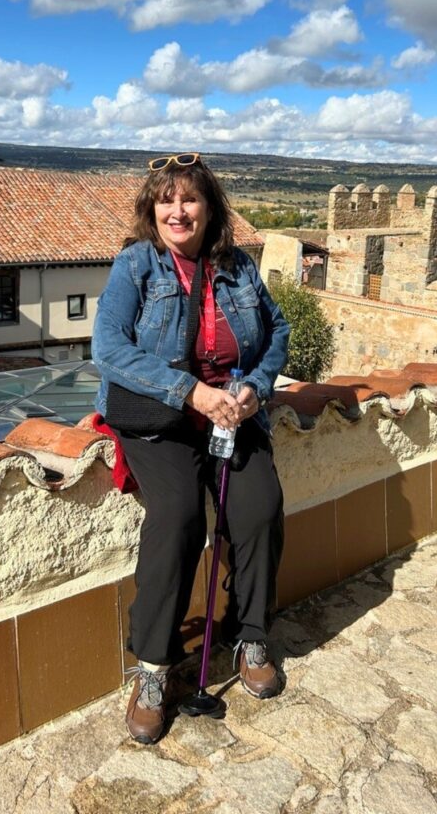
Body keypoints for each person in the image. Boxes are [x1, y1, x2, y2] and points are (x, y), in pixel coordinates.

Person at [92, 152, 289, 744]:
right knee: (177, 518)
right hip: (161, 418)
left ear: (209, 207)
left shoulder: (239, 269)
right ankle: (153, 667)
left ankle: (249, 632)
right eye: (166, 200)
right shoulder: (135, 266)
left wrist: (254, 387)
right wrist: (191, 392)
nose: (178, 211)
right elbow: (108, 348)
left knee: (260, 508)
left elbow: (276, 332)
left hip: (230, 413)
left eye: (190, 199)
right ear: (153, 210)